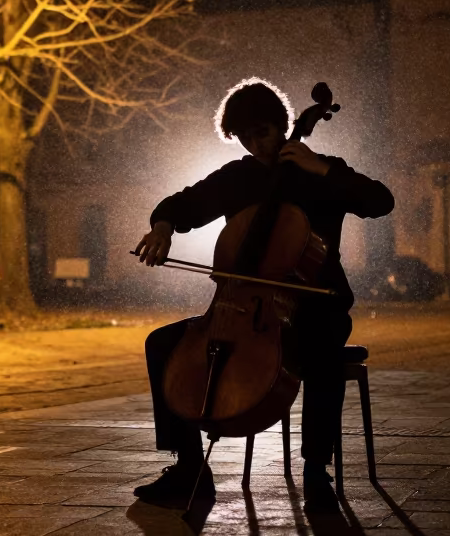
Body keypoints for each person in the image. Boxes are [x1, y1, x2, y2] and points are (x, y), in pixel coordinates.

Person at [132, 78, 394, 511]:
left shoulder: (322, 170)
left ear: (282, 124)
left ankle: (315, 471)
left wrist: (322, 170)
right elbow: (179, 206)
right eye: (245, 137)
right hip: (241, 308)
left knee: (323, 351)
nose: (255, 145)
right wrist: (162, 227)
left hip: (317, 306)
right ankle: (189, 467)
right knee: (162, 343)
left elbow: (380, 201)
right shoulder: (237, 178)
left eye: (262, 133)